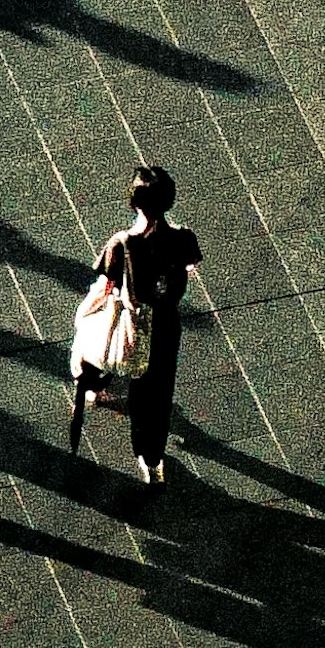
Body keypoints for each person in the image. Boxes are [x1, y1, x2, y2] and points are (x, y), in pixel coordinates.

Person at [64, 157, 206, 488]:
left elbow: (108, 286)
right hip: (166, 325)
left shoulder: (123, 243)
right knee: (155, 395)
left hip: (131, 318)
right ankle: (151, 460)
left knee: (105, 346)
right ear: (169, 202)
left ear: (134, 202)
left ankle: (94, 387)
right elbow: (189, 267)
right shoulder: (184, 238)